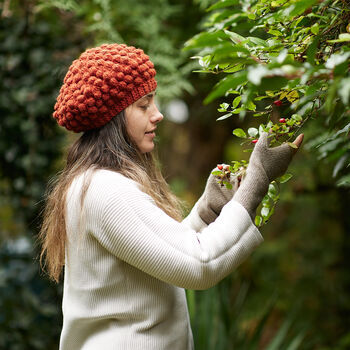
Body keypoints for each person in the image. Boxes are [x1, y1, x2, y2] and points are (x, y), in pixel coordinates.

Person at [38, 43, 304, 350]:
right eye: (143, 105)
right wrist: (255, 183)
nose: (158, 114)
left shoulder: (95, 182)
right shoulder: (106, 190)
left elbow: (162, 254)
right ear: (112, 117)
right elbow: (198, 266)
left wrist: (208, 212)